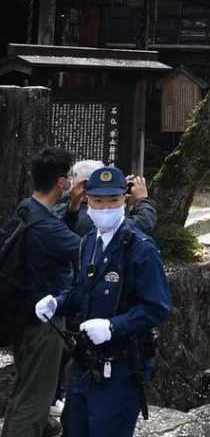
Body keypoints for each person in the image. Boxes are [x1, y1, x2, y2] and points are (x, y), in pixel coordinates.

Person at [36, 165, 172, 437]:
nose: (106, 207)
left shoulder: (140, 248)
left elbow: (157, 307)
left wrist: (114, 326)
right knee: (74, 429)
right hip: (85, 365)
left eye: (114, 200)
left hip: (121, 368)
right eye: (98, 200)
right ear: (87, 200)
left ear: (125, 199)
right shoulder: (88, 242)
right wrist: (57, 303)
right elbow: (81, 292)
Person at [3, 146, 84, 437]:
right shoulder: (45, 227)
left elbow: (56, 238)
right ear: (61, 183)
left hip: (23, 318)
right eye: (71, 176)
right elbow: (90, 251)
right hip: (43, 325)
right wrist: (142, 204)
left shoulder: (28, 209)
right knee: (35, 402)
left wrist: (73, 208)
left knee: (24, 394)